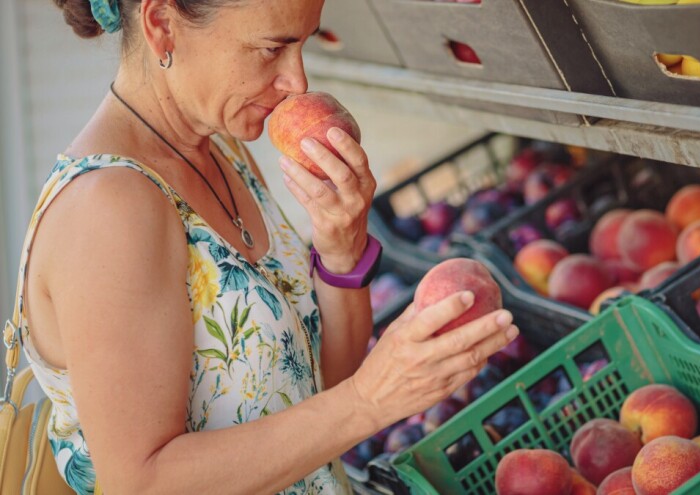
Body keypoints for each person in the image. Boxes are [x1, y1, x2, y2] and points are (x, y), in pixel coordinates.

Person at [15, 0, 519, 493]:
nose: (296, 82)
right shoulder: (110, 207)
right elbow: (143, 481)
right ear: (163, 24)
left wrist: (341, 251)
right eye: (270, 49)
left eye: (303, 44)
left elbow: (314, 389)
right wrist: (368, 402)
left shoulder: (224, 151)